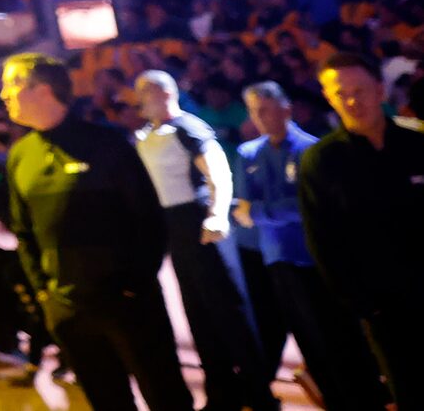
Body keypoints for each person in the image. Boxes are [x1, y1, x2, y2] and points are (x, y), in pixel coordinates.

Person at [0, 54, 187, 411]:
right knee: (107, 400)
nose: (3, 94)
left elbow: (148, 218)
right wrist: (45, 293)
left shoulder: (107, 145)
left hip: (127, 301)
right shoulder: (20, 156)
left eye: (11, 84)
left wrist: (135, 284)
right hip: (68, 308)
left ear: (42, 89)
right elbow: (24, 232)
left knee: (166, 395)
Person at [233, 82, 380, 411]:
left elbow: (300, 204)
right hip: (276, 260)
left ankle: (363, 399)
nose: (260, 117)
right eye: (254, 110)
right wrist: (263, 211)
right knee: (308, 341)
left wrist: (260, 212)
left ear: (286, 109)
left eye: (267, 109)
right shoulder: (248, 153)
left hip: (315, 258)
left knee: (338, 336)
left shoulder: (311, 150)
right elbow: (242, 206)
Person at [130, 70, 267, 411]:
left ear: (162, 93)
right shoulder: (148, 134)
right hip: (175, 226)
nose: (138, 101)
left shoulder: (188, 128)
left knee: (227, 309)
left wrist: (218, 212)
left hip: (200, 221)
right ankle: (222, 392)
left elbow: (218, 170)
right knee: (198, 313)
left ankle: (259, 392)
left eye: (143, 93)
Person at [296, 58, 424, 407]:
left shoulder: (417, 144)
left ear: (380, 90)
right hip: (385, 312)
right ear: (329, 98)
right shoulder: (321, 161)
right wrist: (364, 305)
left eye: (361, 91)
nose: (353, 101)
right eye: (342, 94)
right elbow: (322, 242)